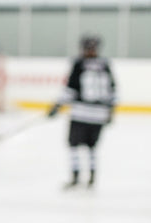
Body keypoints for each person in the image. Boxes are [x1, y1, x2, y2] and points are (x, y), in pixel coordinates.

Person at [48, 34, 116, 188]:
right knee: (92, 147)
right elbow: (113, 91)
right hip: (99, 115)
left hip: (81, 114)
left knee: (73, 145)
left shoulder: (79, 64)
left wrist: (57, 106)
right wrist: (111, 112)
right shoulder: (105, 64)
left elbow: (70, 90)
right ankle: (92, 177)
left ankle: (75, 177)